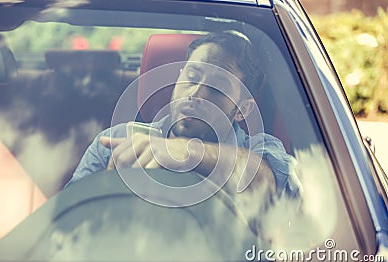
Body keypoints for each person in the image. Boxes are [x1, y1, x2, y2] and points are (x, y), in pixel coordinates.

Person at [66, 31, 300, 212]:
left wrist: (187, 151)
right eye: (192, 77)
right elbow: (65, 218)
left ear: (241, 110)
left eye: (216, 88)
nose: (196, 94)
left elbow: (272, 184)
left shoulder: (261, 150)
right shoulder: (117, 142)